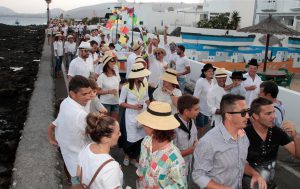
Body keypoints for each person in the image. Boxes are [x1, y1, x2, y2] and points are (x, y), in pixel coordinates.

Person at [193, 94, 266, 189]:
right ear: (229, 116)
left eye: (248, 111)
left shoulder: (243, 136)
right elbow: (198, 176)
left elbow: (241, 163)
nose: (248, 116)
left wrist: (255, 174)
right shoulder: (208, 142)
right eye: (243, 112)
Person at [243, 97, 300, 189]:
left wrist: (296, 136)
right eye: (269, 113)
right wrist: (255, 174)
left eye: (273, 112)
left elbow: (297, 154)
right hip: (247, 185)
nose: (274, 116)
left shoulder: (277, 132)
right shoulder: (243, 134)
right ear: (256, 116)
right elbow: (238, 162)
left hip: (270, 185)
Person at [50, 76, 93, 185]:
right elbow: (94, 138)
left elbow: (53, 124)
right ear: (73, 94)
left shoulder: (65, 102)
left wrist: (51, 138)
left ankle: (71, 181)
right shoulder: (80, 115)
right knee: (80, 183)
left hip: (66, 150)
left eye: (90, 92)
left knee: (73, 176)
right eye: (84, 94)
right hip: (79, 159)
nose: (89, 97)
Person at [136, 101, 187, 188]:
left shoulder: (174, 157)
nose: (143, 124)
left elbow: (181, 186)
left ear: (155, 127)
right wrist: (141, 177)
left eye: (146, 122)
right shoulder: (146, 141)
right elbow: (142, 166)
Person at [76, 113, 123, 189]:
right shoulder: (111, 167)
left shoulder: (86, 148)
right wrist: (114, 171)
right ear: (106, 139)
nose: (120, 134)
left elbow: (78, 173)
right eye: (118, 132)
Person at [119, 63, 151, 167]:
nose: (143, 77)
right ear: (136, 76)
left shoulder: (143, 85)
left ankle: (134, 158)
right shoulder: (126, 87)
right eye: (142, 75)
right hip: (130, 116)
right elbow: (121, 102)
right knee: (129, 138)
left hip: (141, 115)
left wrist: (150, 107)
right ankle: (127, 155)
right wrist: (133, 106)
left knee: (140, 137)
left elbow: (146, 98)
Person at [173, 95, 199, 183]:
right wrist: (191, 150)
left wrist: (196, 142)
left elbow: (195, 137)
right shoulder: (173, 127)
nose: (198, 112)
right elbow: (171, 155)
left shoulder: (191, 121)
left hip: (188, 165)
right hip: (175, 169)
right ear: (186, 112)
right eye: (196, 109)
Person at [193, 63, 215, 136]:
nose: (211, 73)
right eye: (209, 71)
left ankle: (197, 137)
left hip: (208, 108)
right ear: (204, 72)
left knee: (205, 125)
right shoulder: (201, 81)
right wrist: (195, 108)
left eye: (212, 71)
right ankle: (199, 140)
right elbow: (196, 95)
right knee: (201, 126)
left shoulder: (213, 82)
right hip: (200, 108)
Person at [97, 55, 121, 120]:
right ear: (107, 63)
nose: (114, 63)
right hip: (105, 103)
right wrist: (109, 91)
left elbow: (119, 86)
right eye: (112, 61)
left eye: (114, 61)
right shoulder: (101, 76)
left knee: (114, 123)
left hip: (115, 102)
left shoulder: (116, 74)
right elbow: (97, 91)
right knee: (105, 123)